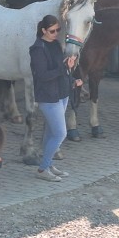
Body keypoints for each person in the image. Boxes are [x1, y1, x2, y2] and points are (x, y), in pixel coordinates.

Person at [29, 15, 79, 182]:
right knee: (60, 133)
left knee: (51, 132)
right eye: (52, 31)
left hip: (61, 93)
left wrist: (72, 78)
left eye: (58, 30)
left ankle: (48, 164)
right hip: (48, 96)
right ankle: (43, 169)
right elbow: (43, 75)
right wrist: (63, 68)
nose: (56, 33)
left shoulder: (56, 45)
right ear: (43, 30)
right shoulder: (37, 48)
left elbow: (61, 71)